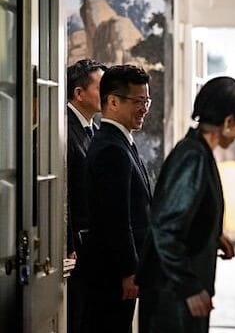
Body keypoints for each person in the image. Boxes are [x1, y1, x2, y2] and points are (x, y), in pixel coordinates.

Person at [136, 76, 235, 333]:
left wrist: (213, 234)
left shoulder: (199, 151)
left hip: (176, 290)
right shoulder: (192, 156)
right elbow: (165, 229)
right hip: (172, 294)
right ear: (228, 122)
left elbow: (187, 214)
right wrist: (189, 286)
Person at [82, 64, 153, 333]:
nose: (144, 108)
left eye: (146, 100)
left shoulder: (123, 143)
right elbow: (116, 218)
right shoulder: (110, 148)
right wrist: (129, 271)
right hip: (111, 274)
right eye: (138, 101)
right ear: (112, 101)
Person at [65, 58, 106, 333]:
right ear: (79, 93)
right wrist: (68, 244)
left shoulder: (93, 129)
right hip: (73, 249)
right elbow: (63, 195)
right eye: (101, 88)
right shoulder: (63, 130)